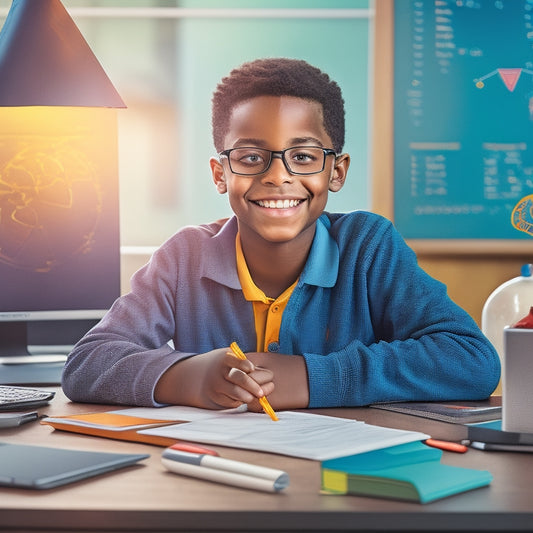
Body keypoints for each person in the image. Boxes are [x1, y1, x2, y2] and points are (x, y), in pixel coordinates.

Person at [62, 57, 500, 411]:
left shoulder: (369, 247)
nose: (277, 177)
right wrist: (188, 376)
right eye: (251, 157)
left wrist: (311, 377)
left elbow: (471, 361)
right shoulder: (184, 256)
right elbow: (86, 364)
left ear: (337, 171)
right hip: (220, 475)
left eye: (304, 156)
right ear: (220, 173)